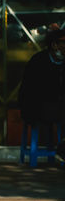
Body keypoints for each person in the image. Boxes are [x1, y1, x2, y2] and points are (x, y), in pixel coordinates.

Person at [18, 29, 65, 161]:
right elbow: (31, 92)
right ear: (54, 45)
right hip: (37, 107)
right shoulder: (38, 61)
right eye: (63, 43)